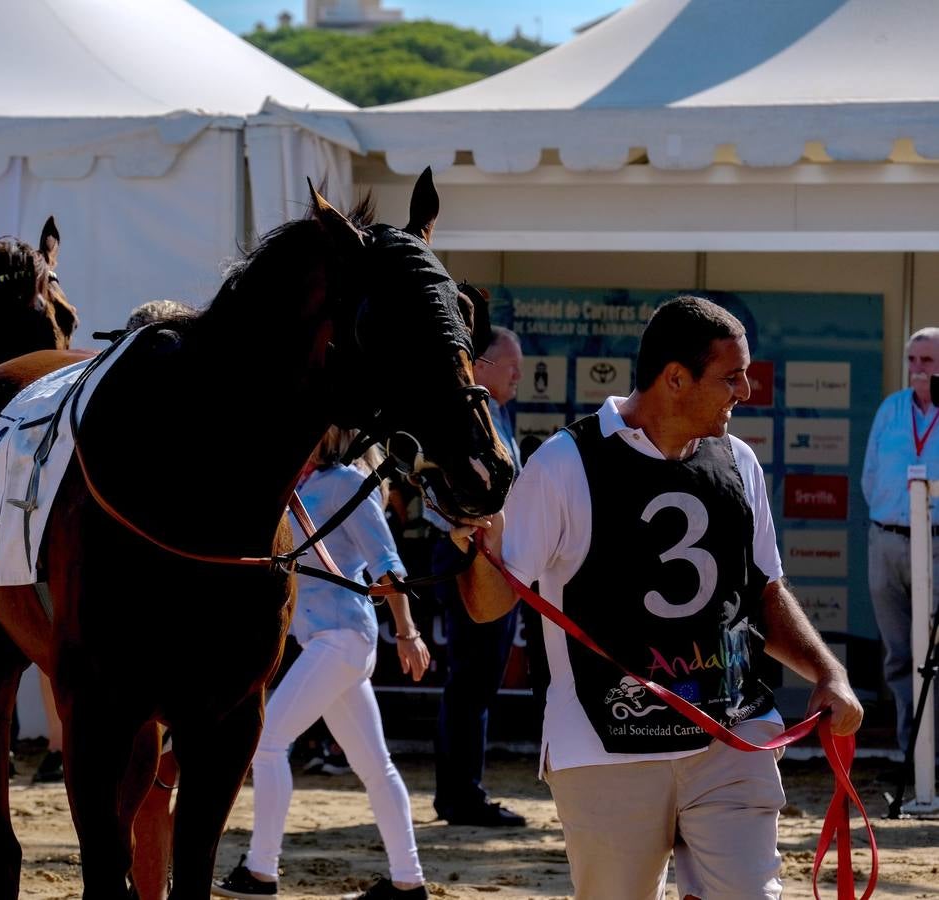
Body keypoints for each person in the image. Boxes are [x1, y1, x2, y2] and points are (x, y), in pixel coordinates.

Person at [457, 296, 862, 899]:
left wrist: (828, 673)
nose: (746, 391)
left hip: (733, 735)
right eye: (732, 376)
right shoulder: (565, 464)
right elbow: (488, 605)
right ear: (675, 378)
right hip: (604, 748)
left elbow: (764, 591)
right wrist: (482, 549)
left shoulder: (739, 461)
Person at [215, 427, 432, 900]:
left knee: (269, 742)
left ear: (335, 434)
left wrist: (407, 631)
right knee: (377, 767)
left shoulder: (346, 483)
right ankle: (408, 882)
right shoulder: (299, 484)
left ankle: (261, 872)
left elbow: (386, 561)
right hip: (328, 638)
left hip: (342, 636)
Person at [429, 311, 526, 827]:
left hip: (500, 562)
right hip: (470, 557)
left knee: (479, 683)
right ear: (481, 364)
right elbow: (437, 491)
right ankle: (461, 795)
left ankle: (464, 789)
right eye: (511, 366)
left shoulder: (499, 416)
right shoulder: (461, 414)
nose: (518, 376)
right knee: (469, 682)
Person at [862, 325, 939, 750]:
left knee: (935, 655)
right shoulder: (891, 408)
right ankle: (912, 753)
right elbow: (870, 477)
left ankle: (936, 756)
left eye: (926, 360)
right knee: (898, 655)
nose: (917, 369)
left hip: (937, 544)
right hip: (887, 541)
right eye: (912, 360)